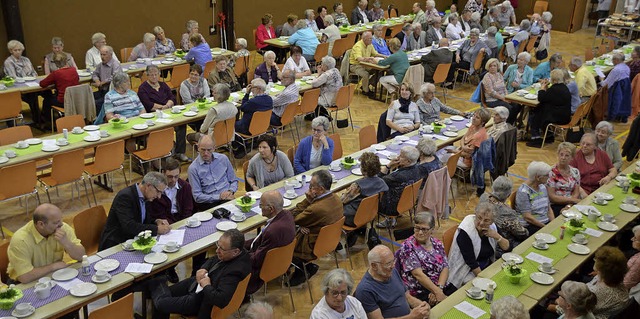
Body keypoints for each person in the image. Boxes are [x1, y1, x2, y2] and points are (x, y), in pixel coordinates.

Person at [143, 229, 251, 319]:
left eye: (221, 249)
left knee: (161, 302)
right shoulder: (238, 253)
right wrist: (204, 268)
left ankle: (151, 284)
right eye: (217, 245)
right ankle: (152, 284)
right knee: (163, 294)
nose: (217, 250)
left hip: (200, 300)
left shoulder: (235, 272)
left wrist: (206, 285)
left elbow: (221, 300)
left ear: (235, 251)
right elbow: (214, 258)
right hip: (196, 283)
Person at [289, 170, 343, 286]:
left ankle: (301, 267)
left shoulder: (316, 208)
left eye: (311, 186)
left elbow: (293, 217)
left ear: (321, 189)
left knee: (281, 233)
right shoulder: (337, 199)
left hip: (309, 245)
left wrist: (308, 201)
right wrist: (303, 223)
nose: (308, 189)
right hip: (328, 241)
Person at [7, 204, 85, 283]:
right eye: (56, 222)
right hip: (23, 283)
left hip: (53, 275)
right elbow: (25, 277)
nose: (61, 224)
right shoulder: (21, 240)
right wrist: (53, 267)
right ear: (41, 224)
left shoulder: (63, 228)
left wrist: (67, 243)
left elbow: (82, 256)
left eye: (61, 220)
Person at [147, 158, 196, 282]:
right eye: (169, 177)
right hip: (165, 224)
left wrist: (182, 224)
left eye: (176, 176)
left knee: (198, 245)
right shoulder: (156, 190)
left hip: (181, 222)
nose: (173, 180)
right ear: (163, 173)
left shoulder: (185, 187)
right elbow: (157, 214)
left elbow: (188, 210)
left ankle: (195, 273)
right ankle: (168, 268)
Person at [99, 172, 171, 250]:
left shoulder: (147, 197)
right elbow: (129, 226)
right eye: (158, 191)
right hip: (116, 244)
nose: (159, 196)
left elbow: (142, 221)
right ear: (148, 186)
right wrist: (156, 229)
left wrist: (156, 221)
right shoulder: (125, 197)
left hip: (135, 240)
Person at [354, 245, 431, 318]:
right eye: (388, 263)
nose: (393, 266)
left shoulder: (391, 272)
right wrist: (412, 317)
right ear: (374, 266)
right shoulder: (365, 290)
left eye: (393, 261)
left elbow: (407, 297)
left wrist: (422, 306)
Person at [447, 203, 509, 289]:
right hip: (466, 271)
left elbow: (507, 247)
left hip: (486, 265)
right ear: (475, 215)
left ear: (492, 221)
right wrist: (486, 280)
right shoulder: (465, 232)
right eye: (479, 218)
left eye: (486, 220)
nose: (481, 223)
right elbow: (471, 263)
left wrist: (496, 236)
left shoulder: (492, 227)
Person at [245, 190, 296, 294]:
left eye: (261, 205)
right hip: (281, 261)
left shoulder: (273, 231)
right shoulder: (287, 214)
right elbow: (259, 239)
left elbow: (256, 260)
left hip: (263, 268)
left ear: (271, 209)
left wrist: (240, 254)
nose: (260, 207)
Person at [137, 65, 189, 162]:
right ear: (147, 76)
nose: (154, 77)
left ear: (159, 75)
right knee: (165, 129)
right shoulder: (143, 88)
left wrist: (168, 105)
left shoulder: (163, 85)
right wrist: (162, 107)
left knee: (181, 125)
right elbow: (148, 105)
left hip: (168, 112)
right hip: (154, 116)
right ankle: (167, 151)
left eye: (156, 74)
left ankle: (180, 152)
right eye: (151, 75)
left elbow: (172, 97)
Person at [396, 212, 449, 305]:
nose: (420, 232)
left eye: (424, 229)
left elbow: (445, 266)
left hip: (439, 285)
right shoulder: (408, 246)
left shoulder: (437, 243)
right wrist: (437, 292)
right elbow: (418, 274)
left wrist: (439, 288)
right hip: (420, 291)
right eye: (417, 228)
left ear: (432, 230)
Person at [188, 135, 239, 211]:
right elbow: (197, 197)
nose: (205, 153)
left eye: (209, 150)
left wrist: (230, 191)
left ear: (214, 148)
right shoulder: (193, 168)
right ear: (198, 147)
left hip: (228, 198)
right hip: (209, 204)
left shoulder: (223, 159)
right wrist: (219, 197)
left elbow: (234, 180)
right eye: (203, 150)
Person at [479, 176, 528, 255]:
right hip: (500, 246)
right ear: (508, 195)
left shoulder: (483, 197)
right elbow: (522, 233)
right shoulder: (507, 212)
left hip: (483, 240)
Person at [377, 146, 423, 228]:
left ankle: (389, 220)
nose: (397, 157)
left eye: (401, 156)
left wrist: (388, 166)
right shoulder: (419, 168)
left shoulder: (398, 176)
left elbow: (378, 181)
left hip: (391, 206)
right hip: (408, 200)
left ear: (408, 161)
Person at [341, 152, 388, 229]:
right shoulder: (382, 182)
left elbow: (343, 200)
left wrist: (345, 193)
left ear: (363, 169)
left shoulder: (357, 186)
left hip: (352, 217)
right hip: (370, 214)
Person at [527, 69, 572, 147]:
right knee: (539, 110)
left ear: (553, 80)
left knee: (534, 113)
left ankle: (536, 138)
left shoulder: (554, 89)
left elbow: (541, 98)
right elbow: (550, 97)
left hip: (558, 117)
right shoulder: (563, 87)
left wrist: (542, 88)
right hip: (564, 115)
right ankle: (548, 136)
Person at [4, 40, 45, 127]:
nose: (18, 52)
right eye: (15, 50)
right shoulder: (8, 62)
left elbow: (34, 73)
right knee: (32, 97)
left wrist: (33, 78)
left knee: (45, 92)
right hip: (18, 87)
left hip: (31, 84)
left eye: (20, 50)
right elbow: (13, 77)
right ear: (11, 51)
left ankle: (41, 117)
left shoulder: (26, 60)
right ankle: (37, 118)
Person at [588, 246, 629, 319]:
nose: (595, 260)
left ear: (600, 267)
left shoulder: (596, 293)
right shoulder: (617, 281)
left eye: (596, 260)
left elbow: (576, 308)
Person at [547, 142, 587, 217]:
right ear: (558, 155)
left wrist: (569, 206)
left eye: (567, 155)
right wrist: (573, 201)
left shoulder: (575, 172)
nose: (563, 157)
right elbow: (552, 197)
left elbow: (576, 193)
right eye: (561, 154)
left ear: (572, 158)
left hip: (571, 204)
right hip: (556, 205)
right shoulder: (551, 172)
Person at [39, 52, 80, 123]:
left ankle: (48, 122)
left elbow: (42, 84)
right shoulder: (73, 70)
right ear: (66, 61)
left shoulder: (56, 73)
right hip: (75, 99)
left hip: (63, 101)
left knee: (46, 100)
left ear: (55, 63)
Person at [515, 161, 555, 234]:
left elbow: (548, 208)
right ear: (538, 177)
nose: (549, 177)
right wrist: (545, 227)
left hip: (545, 223)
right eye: (546, 175)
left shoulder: (542, 186)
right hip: (532, 225)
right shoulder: (523, 192)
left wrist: (553, 223)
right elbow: (528, 217)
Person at [482, 58, 520, 124]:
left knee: (518, 105)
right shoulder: (487, 77)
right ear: (488, 67)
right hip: (492, 100)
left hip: (502, 98)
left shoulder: (499, 75)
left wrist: (507, 97)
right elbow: (491, 92)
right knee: (509, 108)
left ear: (497, 67)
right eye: (490, 66)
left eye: (494, 66)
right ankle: (507, 124)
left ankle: (510, 122)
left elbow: (504, 87)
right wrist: (503, 98)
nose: (492, 67)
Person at [350, 31, 386, 98]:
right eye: (370, 39)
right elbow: (359, 59)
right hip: (356, 65)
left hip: (366, 64)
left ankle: (368, 84)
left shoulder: (370, 44)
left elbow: (375, 53)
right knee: (365, 74)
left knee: (379, 71)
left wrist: (384, 56)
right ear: (365, 39)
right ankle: (365, 91)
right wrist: (369, 58)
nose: (371, 40)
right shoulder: (358, 46)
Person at [599, 52, 631, 122]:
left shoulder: (616, 70)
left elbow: (606, 85)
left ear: (616, 60)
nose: (612, 61)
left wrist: (601, 79)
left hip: (615, 89)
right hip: (625, 89)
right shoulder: (627, 67)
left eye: (613, 60)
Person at [91, 45, 121, 111]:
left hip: (112, 92)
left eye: (104, 55)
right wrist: (97, 81)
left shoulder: (115, 65)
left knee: (96, 103)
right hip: (102, 91)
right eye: (101, 55)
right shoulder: (100, 65)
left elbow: (114, 77)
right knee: (89, 98)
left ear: (111, 54)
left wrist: (101, 83)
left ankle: (100, 119)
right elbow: (94, 74)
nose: (102, 57)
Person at [624, 225, 640, 290]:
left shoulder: (638, 262)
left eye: (635, 238)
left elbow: (625, 283)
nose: (632, 239)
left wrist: (604, 273)